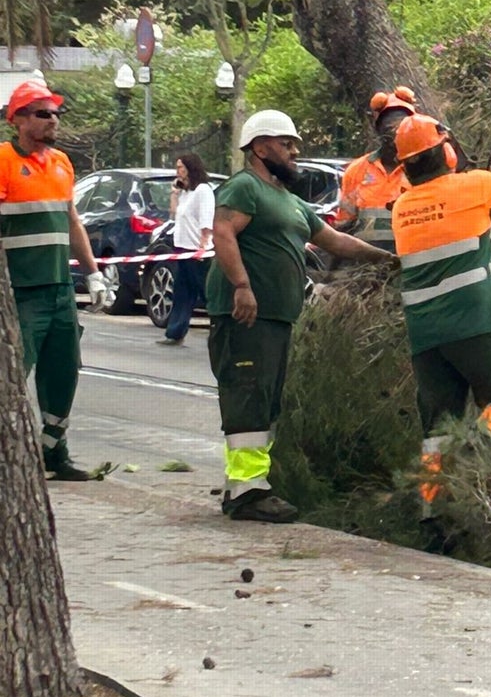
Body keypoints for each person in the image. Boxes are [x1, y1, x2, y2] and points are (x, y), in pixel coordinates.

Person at [207, 109, 402, 523]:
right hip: (246, 317)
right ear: (260, 147)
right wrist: (242, 286)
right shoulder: (244, 188)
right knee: (248, 396)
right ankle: (246, 492)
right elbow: (223, 232)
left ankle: (248, 484)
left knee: (266, 398)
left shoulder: (290, 202)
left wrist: (386, 258)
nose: (295, 151)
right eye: (286, 143)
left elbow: (333, 239)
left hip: (277, 317)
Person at [388, 113, 491, 509]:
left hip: (424, 335)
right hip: (473, 323)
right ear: (444, 150)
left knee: (437, 429)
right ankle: (471, 452)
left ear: (406, 164)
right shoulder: (473, 186)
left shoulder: (402, 207)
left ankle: (433, 512)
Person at [0, 79, 110, 481]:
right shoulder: (4, 162)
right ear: (18, 120)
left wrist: (94, 274)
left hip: (60, 289)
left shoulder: (62, 163)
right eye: (44, 114)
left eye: (56, 114)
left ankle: (54, 451)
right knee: (13, 375)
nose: (54, 121)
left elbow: (71, 220)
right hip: (20, 292)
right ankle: (10, 460)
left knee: (64, 371)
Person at [333, 86, 421, 250]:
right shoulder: (357, 170)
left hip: (412, 264)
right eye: (390, 129)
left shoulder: (423, 167)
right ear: (378, 129)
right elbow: (344, 224)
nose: (396, 134)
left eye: (402, 127)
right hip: (367, 264)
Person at [157, 152, 215, 345]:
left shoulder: (203, 190)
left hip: (197, 249)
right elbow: (174, 212)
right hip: (181, 246)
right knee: (182, 291)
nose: (178, 171)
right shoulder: (186, 192)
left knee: (205, 290)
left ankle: (222, 326)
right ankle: (175, 332)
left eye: (181, 167)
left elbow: (206, 219)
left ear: (190, 168)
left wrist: (203, 245)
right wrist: (175, 192)